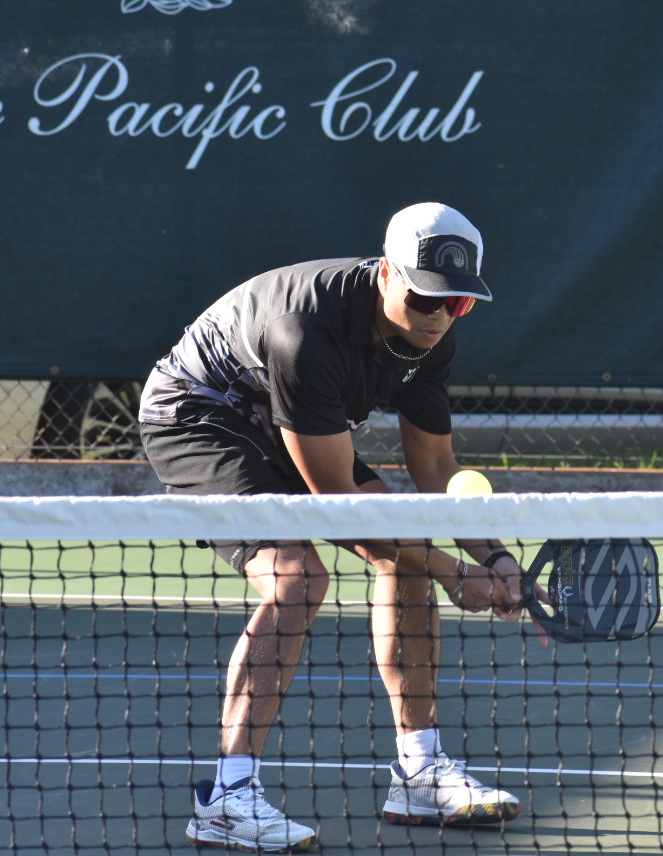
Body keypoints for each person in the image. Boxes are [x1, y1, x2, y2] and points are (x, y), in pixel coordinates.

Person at [138, 202, 538, 852]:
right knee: (296, 577)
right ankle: (226, 800)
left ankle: (419, 772)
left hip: (291, 419)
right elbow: (336, 502)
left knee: (403, 549)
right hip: (200, 414)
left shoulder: (432, 338)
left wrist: (494, 559)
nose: (439, 316)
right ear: (385, 273)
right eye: (425, 297)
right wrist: (454, 572)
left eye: (457, 303)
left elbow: (435, 465)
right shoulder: (304, 333)